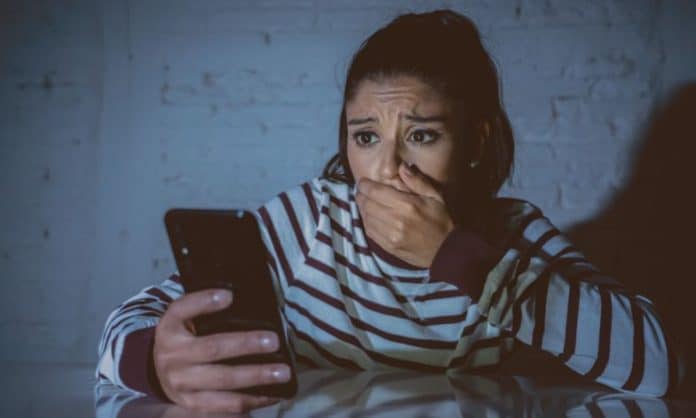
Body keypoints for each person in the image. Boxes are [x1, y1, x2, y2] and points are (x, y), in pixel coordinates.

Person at [95, 9, 684, 413]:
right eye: (366, 137)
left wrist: (457, 258)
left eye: (422, 136)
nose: (385, 169)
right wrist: (158, 361)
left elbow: (660, 364)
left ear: (476, 142)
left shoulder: (511, 234)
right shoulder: (310, 223)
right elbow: (131, 319)